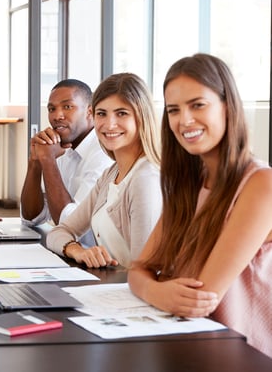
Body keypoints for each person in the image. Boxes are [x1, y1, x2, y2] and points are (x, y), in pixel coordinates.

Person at [128, 54, 272, 357]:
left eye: (198, 105)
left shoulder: (260, 184)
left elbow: (200, 298)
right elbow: (139, 269)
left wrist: (157, 286)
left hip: (244, 356)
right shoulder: (190, 185)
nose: (185, 120)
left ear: (227, 106)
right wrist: (156, 289)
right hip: (192, 346)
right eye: (173, 110)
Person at [46, 73, 161, 268]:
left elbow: (145, 270)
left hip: (135, 294)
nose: (109, 124)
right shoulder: (111, 175)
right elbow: (59, 232)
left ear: (141, 116)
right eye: (102, 113)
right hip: (114, 287)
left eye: (121, 113)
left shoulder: (145, 179)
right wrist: (78, 251)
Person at [20, 79, 112, 246]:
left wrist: (48, 160)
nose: (57, 116)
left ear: (90, 112)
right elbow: (31, 218)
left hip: (102, 263)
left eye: (67, 107)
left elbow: (70, 225)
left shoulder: (103, 153)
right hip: (72, 253)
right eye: (51, 109)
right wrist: (35, 162)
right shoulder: (62, 148)